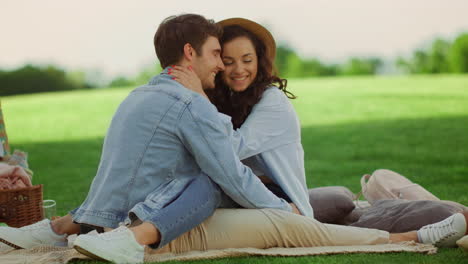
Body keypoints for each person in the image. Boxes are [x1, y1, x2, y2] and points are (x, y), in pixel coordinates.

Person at [70, 18, 468, 262]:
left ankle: (431, 214)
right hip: (252, 195)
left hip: (268, 194)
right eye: (226, 60)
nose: (236, 69)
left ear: (260, 60)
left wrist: (199, 103)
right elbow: (219, 165)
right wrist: (201, 104)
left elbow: (226, 157)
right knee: (339, 204)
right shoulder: (208, 102)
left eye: (247, 60)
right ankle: (400, 217)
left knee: (334, 209)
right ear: (211, 61)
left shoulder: (268, 103)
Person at [0, 14, 300, 262]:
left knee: (331, 199)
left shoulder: (139, 95)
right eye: (217, 54)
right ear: (190, 53)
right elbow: (231, 175)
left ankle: (55, 228)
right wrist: (284, 211)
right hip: (140, 213)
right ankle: (125, 240)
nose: (221, 65)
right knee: (210, 180)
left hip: (117, 207)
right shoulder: (191, 104)